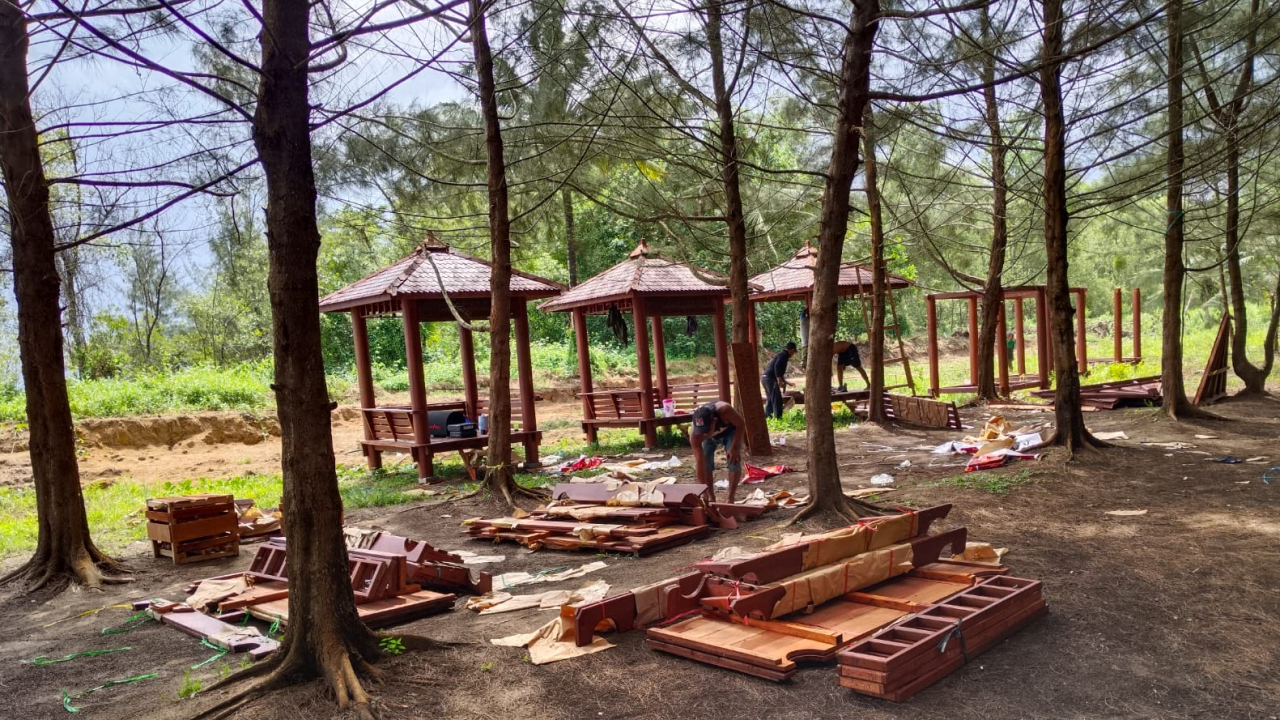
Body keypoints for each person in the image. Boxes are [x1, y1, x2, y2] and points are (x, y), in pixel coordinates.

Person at [690, 400, 745, 503]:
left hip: (731, 432)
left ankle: (730, 499)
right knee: (706, 464)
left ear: (714, 421)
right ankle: (711, 498)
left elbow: (741, 424)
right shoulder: (695, 435)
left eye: (706, 430)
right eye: (701, 432)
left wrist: (734, 448)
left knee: (733, 461)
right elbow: (700, 463)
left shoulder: (725, 410)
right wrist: (703, 490)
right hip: (711, 438)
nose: (704, 434)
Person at [761, 342, 796, 419]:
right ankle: (778, 418)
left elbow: (778, 371)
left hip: (765, 378)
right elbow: (777, 366)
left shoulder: (782, 355)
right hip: (770, 379)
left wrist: (787, 382)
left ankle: (767, 417)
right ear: (792, 350)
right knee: (777, 399)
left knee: (770, 399)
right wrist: (779, 380)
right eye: (794, 352)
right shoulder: (784, 355)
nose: (793, 354)